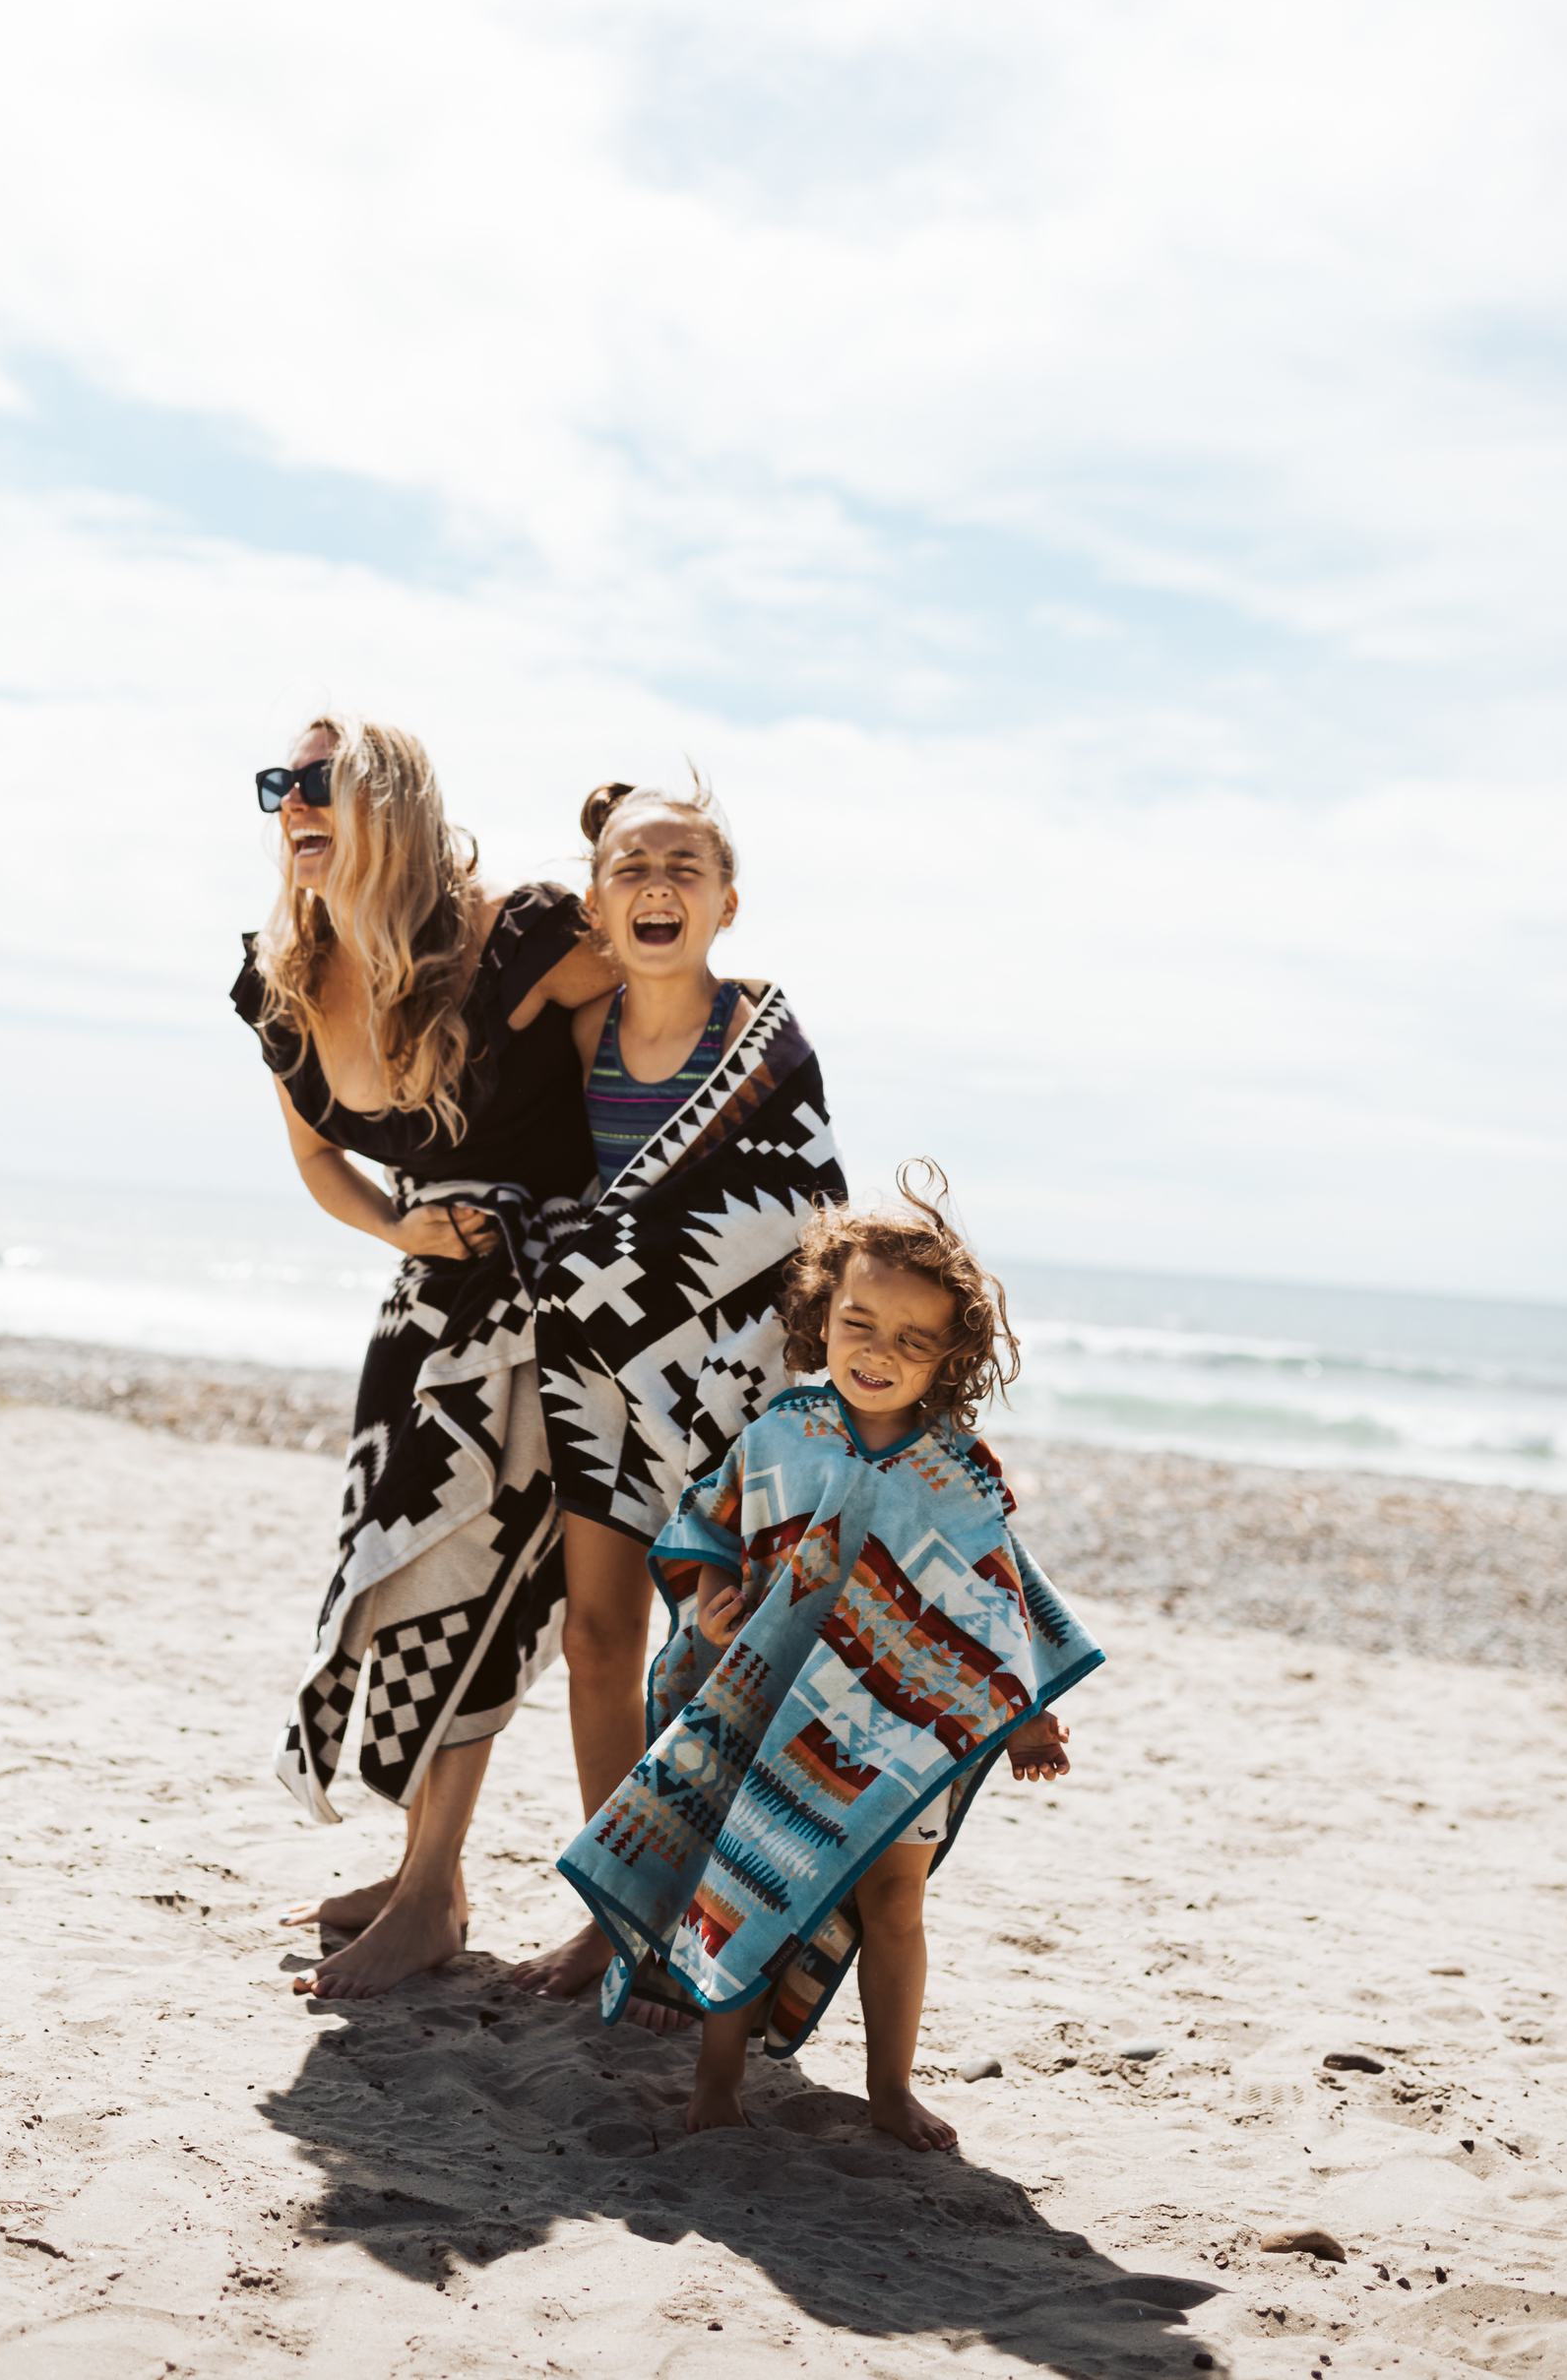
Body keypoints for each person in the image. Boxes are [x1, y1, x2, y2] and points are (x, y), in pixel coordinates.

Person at [557, 1166, 1102, 2148]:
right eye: (858, 1323)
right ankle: (716, 2073)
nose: (877, 1352)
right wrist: (703, 1603)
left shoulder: (958, 1473)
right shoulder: (780, 1436)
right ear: (822, 1315)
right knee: (752, 1876)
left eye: (910, 1340)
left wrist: (1022, 1716)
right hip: (776, 1716)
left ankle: (887, 2088)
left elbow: (991, 1604)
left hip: (902, 1726)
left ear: (949, 1357)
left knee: (893, 1902)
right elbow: (702, 1527)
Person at [230, 714, 615, 1997]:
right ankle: (423, 1878)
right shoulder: (280, 980)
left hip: (553, 1316)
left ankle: (432, 1894)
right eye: (276, 783)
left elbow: (665, 1036)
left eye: (319, 782)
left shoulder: (521, 937)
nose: (291, 800)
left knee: (486, 1592)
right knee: (403, 1577)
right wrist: (404, 1222)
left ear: (390, 803)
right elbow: (312, 1162)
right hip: (427, 1313)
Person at [511, 777, 846, 2018]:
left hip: (732, 1385)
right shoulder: (568, 1038)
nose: (656, 884)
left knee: (719, 1655)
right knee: (597, 1640)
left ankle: (716, 1920)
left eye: (682, 867)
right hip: (595, 1377)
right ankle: (613, 1916)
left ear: (725, 902)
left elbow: (802, 1207)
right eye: (629, 866)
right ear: (596, 901)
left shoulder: (763, 1034)